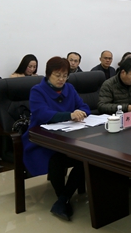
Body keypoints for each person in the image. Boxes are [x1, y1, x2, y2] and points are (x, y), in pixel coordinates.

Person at [22, 57, 90, 221]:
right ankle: (63, 198)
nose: (61, 79)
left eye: (65, 76)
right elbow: (42, 114)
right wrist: (70, 115)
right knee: (56, 159)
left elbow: (84, 107)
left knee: (86, 158)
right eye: (57, 75)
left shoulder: (69, 88)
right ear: (48, 74)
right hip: (40, 141)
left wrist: (80, 112)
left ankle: (63, 199)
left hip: (68, 137)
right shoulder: (37, 90)